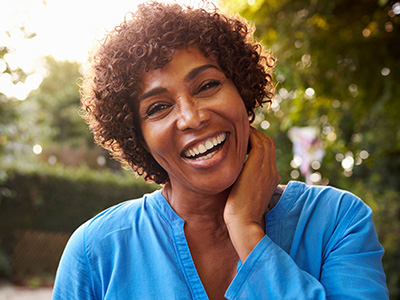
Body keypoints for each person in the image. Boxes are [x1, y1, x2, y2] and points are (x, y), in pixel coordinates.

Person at [52, 1, 389, 299]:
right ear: (137, 138)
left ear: (242, 90)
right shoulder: (96, 252)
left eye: (208, 85)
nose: (192, 117)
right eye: (157, 108)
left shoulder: (337, 221)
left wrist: (246, 230)